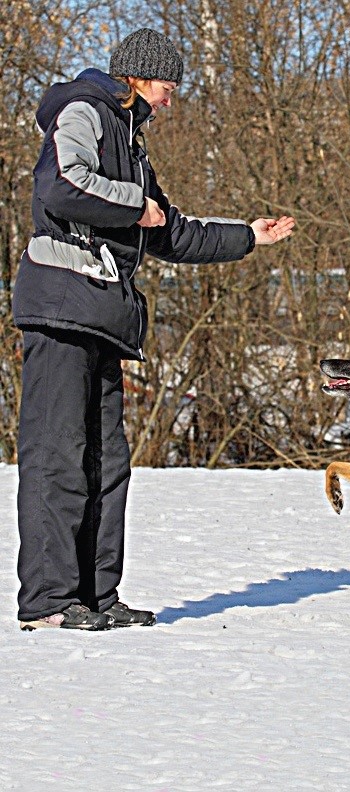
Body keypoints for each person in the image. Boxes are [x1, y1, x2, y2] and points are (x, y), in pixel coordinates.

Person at [12, 28, 295, 631]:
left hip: (100, 314)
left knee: (107, 462)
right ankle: (48, 602)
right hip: (61, 306)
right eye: (168, 85)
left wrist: (248, 236)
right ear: (139, 77)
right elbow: (62, 184)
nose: (171, 98)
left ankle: (94, 596)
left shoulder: (130, 140)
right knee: (57, 456)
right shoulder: (83, 109)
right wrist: (132, 205)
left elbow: (169, 230)